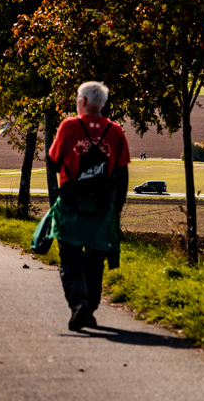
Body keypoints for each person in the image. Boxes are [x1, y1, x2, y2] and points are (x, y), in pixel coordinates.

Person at [34, 81, 130, 332]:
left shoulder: (69, 126)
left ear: (85, 102)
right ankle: (90, 306)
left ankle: (80, 303)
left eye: (78, 98)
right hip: (103, 205)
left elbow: (53, 162)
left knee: (70, 255)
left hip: (71, 203)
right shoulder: (115, 130)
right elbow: (122, 173)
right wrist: (117, 208)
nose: (77, 101)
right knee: (96, 255)